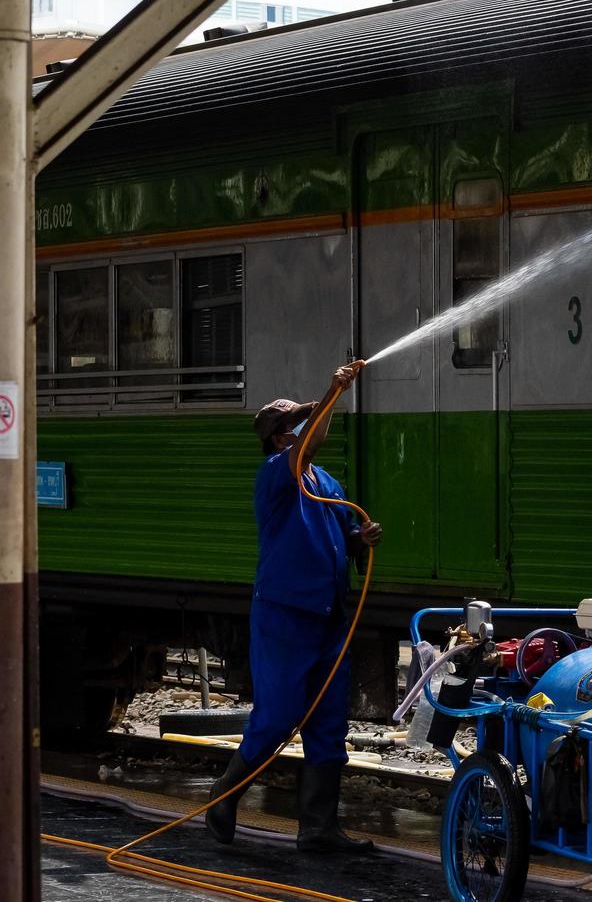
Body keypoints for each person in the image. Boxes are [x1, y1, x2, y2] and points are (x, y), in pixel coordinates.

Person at [206, 364, 383, 853]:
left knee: (329, 721)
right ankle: (224, 797)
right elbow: (311, 447)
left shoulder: (323, 480)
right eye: (298, 425)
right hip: (285, 617)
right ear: (280, 438)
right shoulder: (275, 477)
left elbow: (334, 536)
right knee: (279, 715)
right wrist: (333, 390)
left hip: (329, 616)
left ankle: (318, 827)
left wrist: (358, 539)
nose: (306, 429)